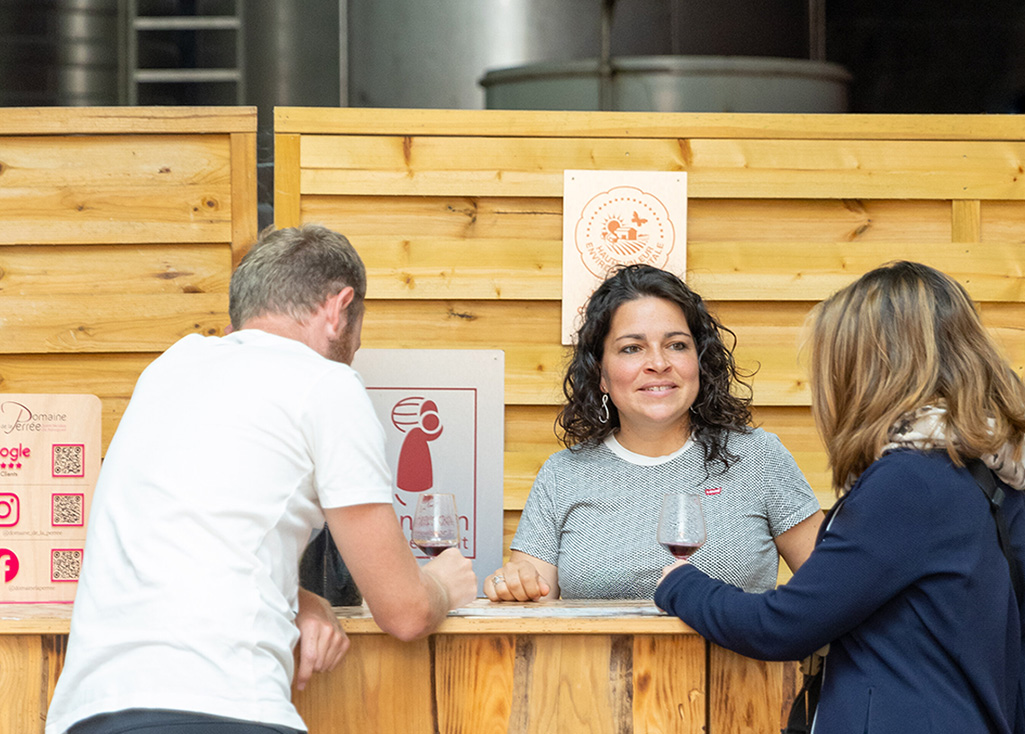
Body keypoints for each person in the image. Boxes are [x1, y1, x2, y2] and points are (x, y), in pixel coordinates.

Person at [46, 224, 477, 734]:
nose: (355, 351)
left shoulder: (168, 368)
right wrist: (444, 584)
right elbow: (404, 612)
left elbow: (194, 539)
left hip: (87, 713)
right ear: (339, 308)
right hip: (223, 707)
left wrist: (300, 600)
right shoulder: (328, 384)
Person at [655, 261, 1025, 733]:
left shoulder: (908, 483)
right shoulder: (1006, 488)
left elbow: (782, 626)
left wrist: (682, 584)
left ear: (871, 370)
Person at [486, 263, 823, 601]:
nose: (659, 363)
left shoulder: (759, 457)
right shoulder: (562, 475)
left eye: (676, 345)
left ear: (700, 362)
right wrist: (511, 584)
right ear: (600, 374)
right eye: (632, 348)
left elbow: (832, 590)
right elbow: (530, 600)